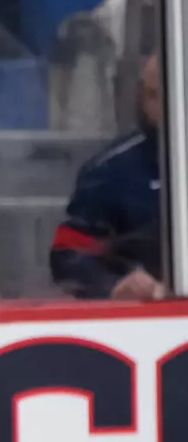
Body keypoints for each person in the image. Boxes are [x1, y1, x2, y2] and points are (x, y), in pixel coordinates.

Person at [51, 54, 166, 302]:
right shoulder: (111, 170)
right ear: (141, 97)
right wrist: (114, 286)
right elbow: (68, 254)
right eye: (156, 96)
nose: (169, 108)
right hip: (148, 323)